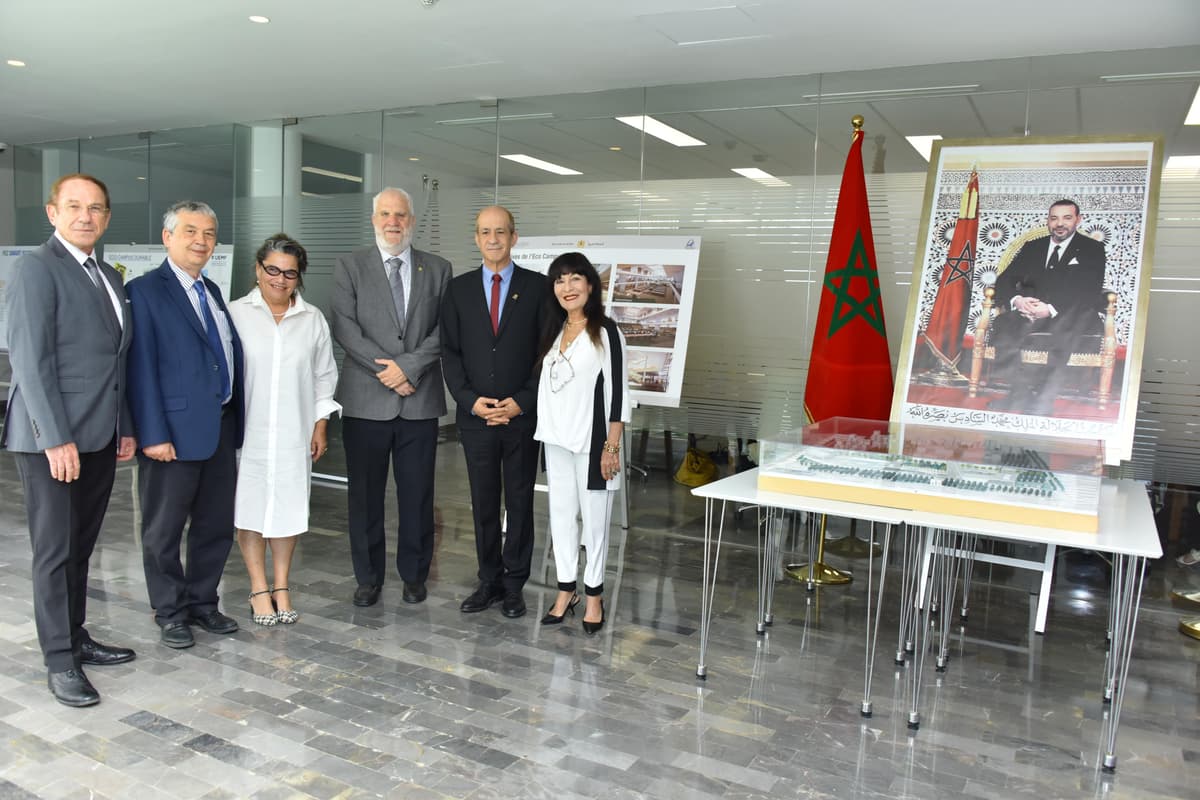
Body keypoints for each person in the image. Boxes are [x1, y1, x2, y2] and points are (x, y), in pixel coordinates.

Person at [2, 174, 138, 707]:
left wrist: (123, 426)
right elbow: (30, 362)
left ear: (106, 218)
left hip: (100, 435)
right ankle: (59, 660)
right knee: (55, 551)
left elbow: (115, 362)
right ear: (52, 212)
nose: (86, 216)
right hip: (51, 440)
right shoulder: (37, 268)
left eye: (96, 208)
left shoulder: (107, 274)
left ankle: (76, 636)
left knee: (81, 547)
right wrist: (55, 439)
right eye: (74, 207)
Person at [126, 201, 245, 649]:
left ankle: (202, 603)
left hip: (219, 429)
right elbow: (140, 369)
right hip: (171, 436)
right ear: (167, 237)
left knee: (215, 525)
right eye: (191, 231)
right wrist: (152, 433)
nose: (201, 241)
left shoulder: (211, 291)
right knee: (163, 530)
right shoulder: (144, 292)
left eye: (209, 234)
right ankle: (170, 610)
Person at [331, 188, 451, 607]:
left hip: (419, 400)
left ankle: (415, 576)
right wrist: (389, 371)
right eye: (385, 214)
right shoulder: (350, 266)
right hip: (365, 401)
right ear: (373, 219)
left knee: (417, 494)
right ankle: (368, 578)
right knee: (364, 495)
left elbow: (444, 330)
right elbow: (345, 329)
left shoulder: (438, 268)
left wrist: (409, 367)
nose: (393, 222)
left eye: (400, 215)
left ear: (412, 221)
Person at [229, 234, 340, 625]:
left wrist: (320, 423)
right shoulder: (236, 314)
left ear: (299, 278)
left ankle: (282, 585)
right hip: (250, 434)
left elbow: (324, 376)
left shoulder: (312, 320)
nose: (280, 279)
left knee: (289, 509)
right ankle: (258, 587)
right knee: (251, 508)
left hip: (294, 433)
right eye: (272, 269)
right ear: (258, 269)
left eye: (290, 273)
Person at [441, 206, 546, 618]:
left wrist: (523, 399)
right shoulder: (458, 289)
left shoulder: (538, 288)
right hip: (477, 417)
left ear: (514, 237)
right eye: (485, 232)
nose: (493, 239)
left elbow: (547, 353)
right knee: (483, 502)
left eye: (500, 232)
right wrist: (469, 400)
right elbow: (450, 352)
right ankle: (489, 580)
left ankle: (515, 583)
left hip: (520, 416)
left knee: (519, 501)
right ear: (476, 238)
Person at [534, 253, 630, 634]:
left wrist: (612, 446)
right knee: (561, 519)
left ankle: (594, 596)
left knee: (594, 525)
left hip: (592, 446)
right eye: (560, 280)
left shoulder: (606, 331)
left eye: (576, 279)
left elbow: (620, 392)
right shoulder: (554, 330)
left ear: (590, 285)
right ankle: (565, 591)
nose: (567, 287)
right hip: (555, 440)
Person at [991, 199, 1108, 414]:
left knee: (1064, 326)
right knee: (1002, 323)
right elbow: (1004, 280)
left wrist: (1051, 309)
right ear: (1048, 221)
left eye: (1067, 218)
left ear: (1078, 220)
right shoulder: (1033, 247)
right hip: (1029, 311)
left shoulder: (1093, 249)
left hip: (1070, 313)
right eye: (1054, 218)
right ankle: (1019, 394)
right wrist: (1018, 300)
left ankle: (1043, 401)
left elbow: (1089, 291)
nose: (1060, 224)